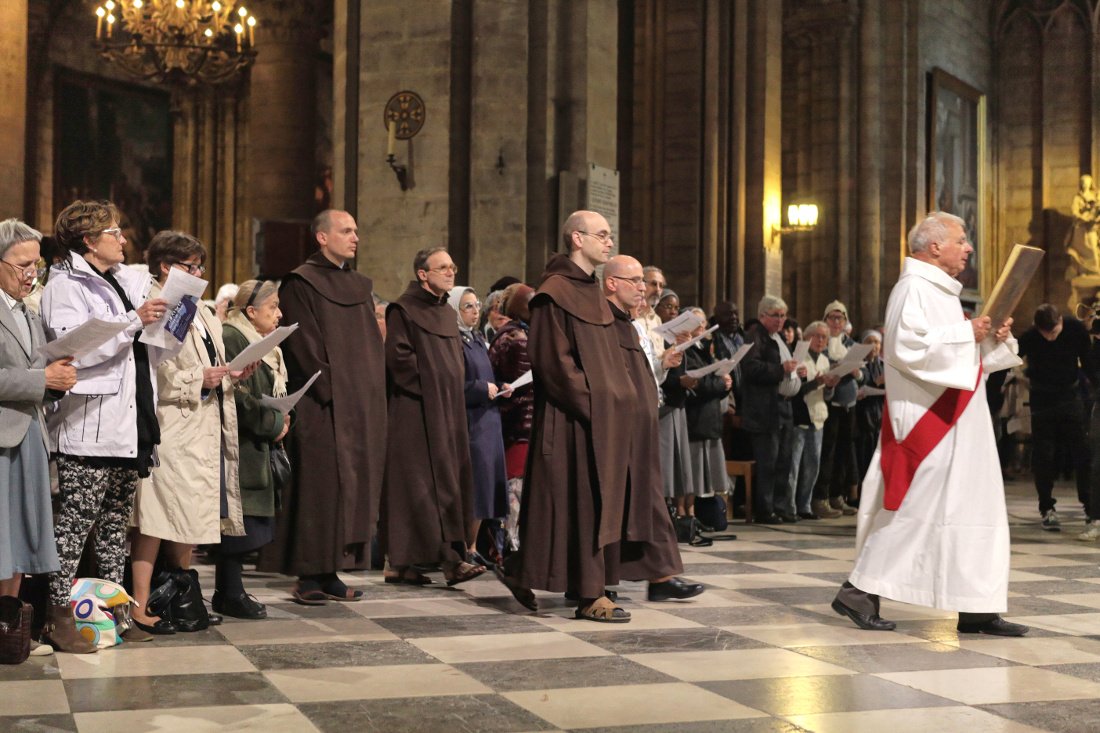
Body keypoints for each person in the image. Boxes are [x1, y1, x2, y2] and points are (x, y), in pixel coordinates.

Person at [832, 211, 1028, 637]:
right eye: (962, 240)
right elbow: (905, 349)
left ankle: (976, 605)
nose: (969, 248)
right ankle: (858, 592)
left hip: (963, 422)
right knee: (914, 512)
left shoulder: (941, 293)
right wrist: (967, 334)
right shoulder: (913, 288)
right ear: (935, 246)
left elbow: (967, 360)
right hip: (928, 421)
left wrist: (989, 337)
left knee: (976, 511)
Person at [496, 215, 698, 622]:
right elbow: (555, 365)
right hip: (572, 418)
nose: (609, 242)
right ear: (577, 238)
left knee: (579, 505)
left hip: (601, 418)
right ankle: (590, 595)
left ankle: (528, 570)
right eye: (602, 235)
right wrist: (599, 403)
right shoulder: (553, 293)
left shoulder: (590, 293)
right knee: (582, 504)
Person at [39, 200, 175, 652]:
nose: (123, 239)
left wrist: (165, 324)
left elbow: (141, 348)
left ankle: (115, 612)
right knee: (75, 525)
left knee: (116, 522)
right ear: (88, 240)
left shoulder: (121, 281)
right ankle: (56, 615)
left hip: (128, 419)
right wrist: (134, 320)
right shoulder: (65, 283)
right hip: (89, 423)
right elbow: (75, 348)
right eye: (113, 232)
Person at [258, 209, 386, 604]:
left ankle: (332, 570)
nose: (355, 237)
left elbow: (369, 347)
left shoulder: (359, 286)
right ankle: (309, 574)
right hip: (322, 403)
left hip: (358, 404)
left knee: (348, 491)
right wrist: (335, 389)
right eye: (346, 230)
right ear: (322, 237)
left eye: (357, 231)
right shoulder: (301, 282)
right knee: (320, 490)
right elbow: (304, 346)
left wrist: (368, 395)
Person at [128, 232, 251, 634]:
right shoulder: (158, 306)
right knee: (157, 518)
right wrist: (201, 377)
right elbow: (156, 376)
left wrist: (233, 371)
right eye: (191, 266)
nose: (200, 273)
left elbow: (212, 359)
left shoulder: (200, 310)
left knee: (188, 516)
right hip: (172, 426)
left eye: (201, 266)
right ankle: (140, 604)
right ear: (166, 266)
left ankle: (182, 595)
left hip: (201, 423)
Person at [380, 249, 485, 585]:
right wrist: (436, 384)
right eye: (442, 268)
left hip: (449, 411)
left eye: (452, 267)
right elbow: (399, 360)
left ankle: (452, 559)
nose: (450, 272)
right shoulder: (403, 309)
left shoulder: (445, 313)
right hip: (416, 412)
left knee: (451, 481)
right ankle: (404, 562)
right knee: (416, 488)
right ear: (422, 274)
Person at [0, 219, 76, 658]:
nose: (32, 274)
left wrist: (55, 380)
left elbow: (32, 373)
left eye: (37, 265)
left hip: (29, 430)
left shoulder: (28, 312)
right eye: (22, 265)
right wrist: (39, 379)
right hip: (3, 434)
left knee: (21, 532)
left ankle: (9, 623)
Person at [217, 280, 290, 618]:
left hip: (255, 444)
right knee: (236, 525)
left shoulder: (264, 344)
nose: (279, 313)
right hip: (240, 444)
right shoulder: (234, 337)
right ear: (251, 311)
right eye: (273, 306)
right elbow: (239, 397)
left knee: (247, 524)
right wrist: (274, 424)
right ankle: (229, 592)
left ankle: (233, 590)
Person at [1017, 303, 1091, 530]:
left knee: (1082, 454)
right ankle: (1047, 508)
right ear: (1036, 327)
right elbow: (1008, 359)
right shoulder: (1029, 336)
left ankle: (1091, 508)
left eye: (1054, 331)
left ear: (1060, 321)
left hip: (1071, 398)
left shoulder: (1075, 330)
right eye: (1045, 333)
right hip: (1042, 400)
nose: (1050, 337)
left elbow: (1089, 364)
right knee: (1044, 457)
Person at [449, 285, 509, 566]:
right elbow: (452, 385)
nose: (475, 311)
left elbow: (487, 376)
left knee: (486, 488)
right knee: (474, 487)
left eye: (476, 305)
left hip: (489, 421)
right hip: (471, 422)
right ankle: (464, 547)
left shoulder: (476, 339)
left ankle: (472, 546)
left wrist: (500, 387)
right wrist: (479, 388)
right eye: (468, 307)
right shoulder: (453, 342)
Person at [740, 295, 801, 523]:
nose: (780, 319)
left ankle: (780, 505)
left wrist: (796, 371)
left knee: (784, 459)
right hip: (765, 410)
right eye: (776, 315)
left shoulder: (778, 338)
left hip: (783, 407)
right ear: (762, 315)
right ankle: (765, 510)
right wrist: (780, 369)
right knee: (769, 462)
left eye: (783, 315)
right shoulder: (755, 336)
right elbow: (751, 368)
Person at [488, 282, 536, 551]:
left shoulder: (519, 333)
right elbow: (522, 386)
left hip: (518, 424)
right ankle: (510, 545)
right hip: (519, 425)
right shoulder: (516, 338)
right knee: (514, 487)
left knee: (517, 486)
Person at [812, 300, 863, 518]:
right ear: (825, 320)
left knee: (844, 452)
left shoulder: (850, 344)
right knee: (828, 452)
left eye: (839, 318)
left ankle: (837, 495)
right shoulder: (821, 343)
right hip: (828, 403)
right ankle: (821, 497)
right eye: (832, 318)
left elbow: (864, 375)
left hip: (849, 404)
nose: (835, 322)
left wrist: (856, 372)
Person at [683, 306, 734, 507]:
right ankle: (688, 514)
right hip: (695, 420)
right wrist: (721, 383)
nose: (701, 327)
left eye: (703, 323)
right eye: (697, 323)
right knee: (693, 476)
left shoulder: (705, 350)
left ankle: (701, 514)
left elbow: (711, 381)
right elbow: (697, 383)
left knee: (708, 478)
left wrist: (725, 385)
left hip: (710, 419)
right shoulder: (686, 351)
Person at [786, 321, 831, 519]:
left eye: (824, 337)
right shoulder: (799, 358)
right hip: (800, 416)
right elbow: (796, 390)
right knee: (794, 466)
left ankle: (805, 505)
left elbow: (827, 395)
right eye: (817, 336)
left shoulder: (824, 360)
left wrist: (830, 386)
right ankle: (790, 507)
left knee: (813, 465)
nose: (820, 340)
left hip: (818, 417)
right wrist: (816, 383)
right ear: (807, 337)